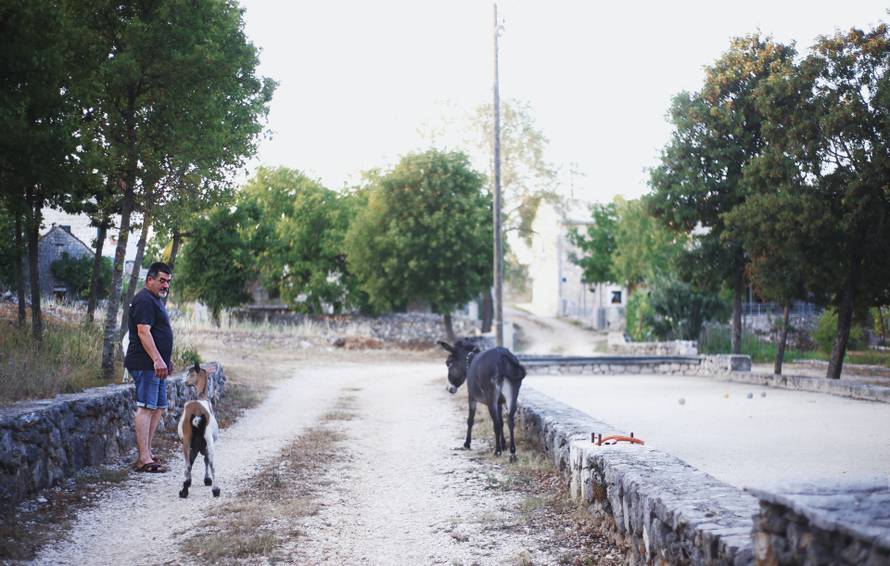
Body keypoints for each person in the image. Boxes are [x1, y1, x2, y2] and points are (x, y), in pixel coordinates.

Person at [124, 262, 174, 473]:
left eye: (168, 282)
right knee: (146, 408)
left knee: (159, 406)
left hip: (156, 365)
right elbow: (144, 332)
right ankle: (143, 458)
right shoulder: (144, 300)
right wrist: (156, 359)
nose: (165, 285)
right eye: (161, 280)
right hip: (145, 364)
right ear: (150, 280)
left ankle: (147, 453)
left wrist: (165, 359)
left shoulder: (154, 300)